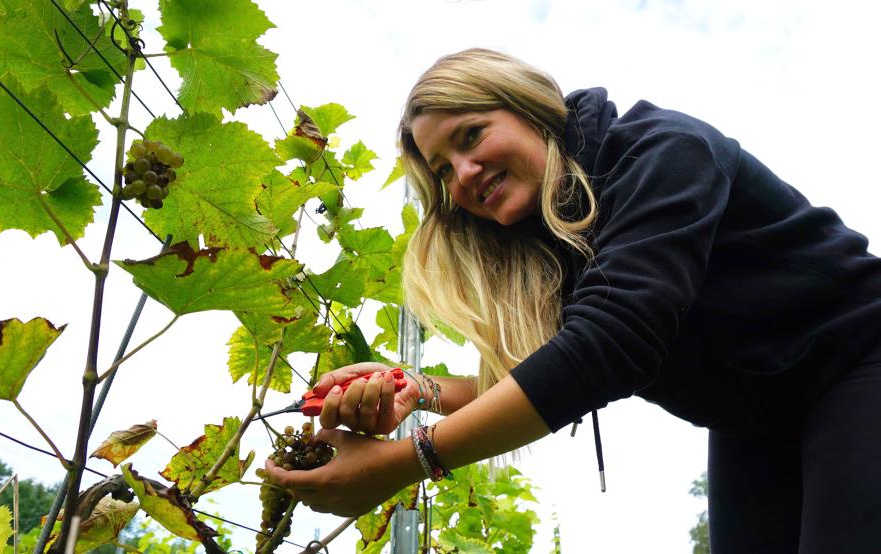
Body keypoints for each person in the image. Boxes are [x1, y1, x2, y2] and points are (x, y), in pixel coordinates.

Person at [264, 48, 881, 553]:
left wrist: (409, 460)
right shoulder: (555, 242)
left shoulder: (660, 150)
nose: (464, 173)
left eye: (471, 135)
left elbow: (608, 346)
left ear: (534, 111)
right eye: (444, 170)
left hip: (859, 362)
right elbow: (540, 374)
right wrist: (413, 387)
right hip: (754, 420)